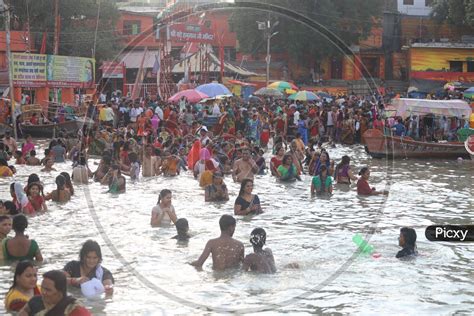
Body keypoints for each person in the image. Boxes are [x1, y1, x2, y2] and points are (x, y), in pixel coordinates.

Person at [18, 270, 91, 316]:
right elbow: (23, 312)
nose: (43, 292)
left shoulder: (74, 309)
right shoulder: (35, 301)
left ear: (60, 293)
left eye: (48, 290)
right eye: (42, 288)